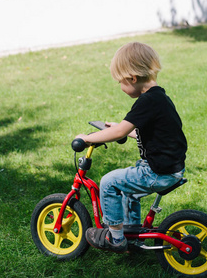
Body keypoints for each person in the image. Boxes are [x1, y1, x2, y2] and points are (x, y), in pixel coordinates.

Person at [75, 42, 187, 253]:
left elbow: (118, 133)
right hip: (170, 168)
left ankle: (115, 239)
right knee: (129, 192)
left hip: (157, 172)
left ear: (133, 79)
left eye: (120, 82)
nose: (120, 87)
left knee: (109, 182)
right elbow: (146, 132)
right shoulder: (159, 98)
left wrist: (88, 138)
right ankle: (131, 234)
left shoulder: (146, 102)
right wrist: (122, 128)